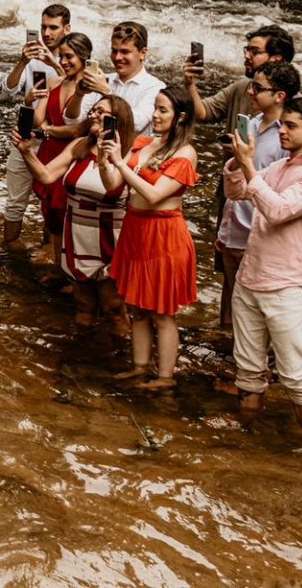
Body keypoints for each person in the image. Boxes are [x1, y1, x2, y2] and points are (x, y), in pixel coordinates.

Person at [225, 97, 302, 458]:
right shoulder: (278, 166)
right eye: (283, 125)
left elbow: (277, 211)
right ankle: (247, 425)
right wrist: (237, 161)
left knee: (293, 370)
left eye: (291, 126)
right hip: (251, 276)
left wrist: (249, 165)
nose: (282, 132)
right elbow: (236, 193)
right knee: (247, 363)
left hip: (288, 283)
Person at [105, 87, 200, 389]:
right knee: (137, 308)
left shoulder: (185, 154)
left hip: (164, 234)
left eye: (162, 110)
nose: (155, 115)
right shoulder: (144, 143)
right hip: (135, 230)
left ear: (180, 117)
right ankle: (140, 367)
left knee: (162, 313)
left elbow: (155, 195)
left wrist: (121, 163)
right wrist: (105, 159)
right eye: (155, 108)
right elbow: (113, 184)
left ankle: (164, 378)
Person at [15, 96, 135, 331]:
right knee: (83, 305)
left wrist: (107, 157)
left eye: (100, 112)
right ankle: (81, 350)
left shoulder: (130, 153)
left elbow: (117, 189)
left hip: (111, 239)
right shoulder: (79, 145)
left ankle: (123, 350)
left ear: (117, 119)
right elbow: (46, 175)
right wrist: (27, 152)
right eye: (93, 111)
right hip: (77, 235)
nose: (93, 115)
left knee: (113, 308)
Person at [212, 61, 300, 330]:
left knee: (253, 317)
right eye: (252, 86)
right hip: (233, 229)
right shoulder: (250, 123)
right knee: (231, 304)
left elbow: (282, 192)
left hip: (257, 235)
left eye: (258, 88)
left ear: (279, 96)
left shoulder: (287, 138)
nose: (250, 92)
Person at [0, 3, 73, 247]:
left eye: (53, 27)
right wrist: (22, 62)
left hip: (56, 140)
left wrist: (55, 64)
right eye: (43, 27)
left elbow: (76, 85)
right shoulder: (31, 59)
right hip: (27, 135)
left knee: (53, 203)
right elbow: (7, 90)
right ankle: (8, 250)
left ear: (67, 28)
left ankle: (48, 254)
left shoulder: (73, 58)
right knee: (15, 202)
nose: (46, 33)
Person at [27, 32, 97, 267]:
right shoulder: (53, 82)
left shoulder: (91, 89)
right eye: (61, 56)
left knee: (67, 212)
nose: (64, 61)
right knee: (51, 212)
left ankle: (72, 268)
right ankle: (58, 264)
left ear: (84, 57)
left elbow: (77, 131)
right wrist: (33, 104)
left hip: (73, 155)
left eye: (70, 57)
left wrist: (48, 130)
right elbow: (38, 120)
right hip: (49, 151)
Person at [80, 21, 165, 138]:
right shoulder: (104, 79)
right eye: (114, 51)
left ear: (142, 53)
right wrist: (78, 95)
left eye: (125, 52)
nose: (117, 57)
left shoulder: (156, 87)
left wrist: (107, 92)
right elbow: (73, 121)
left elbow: (136, 124)